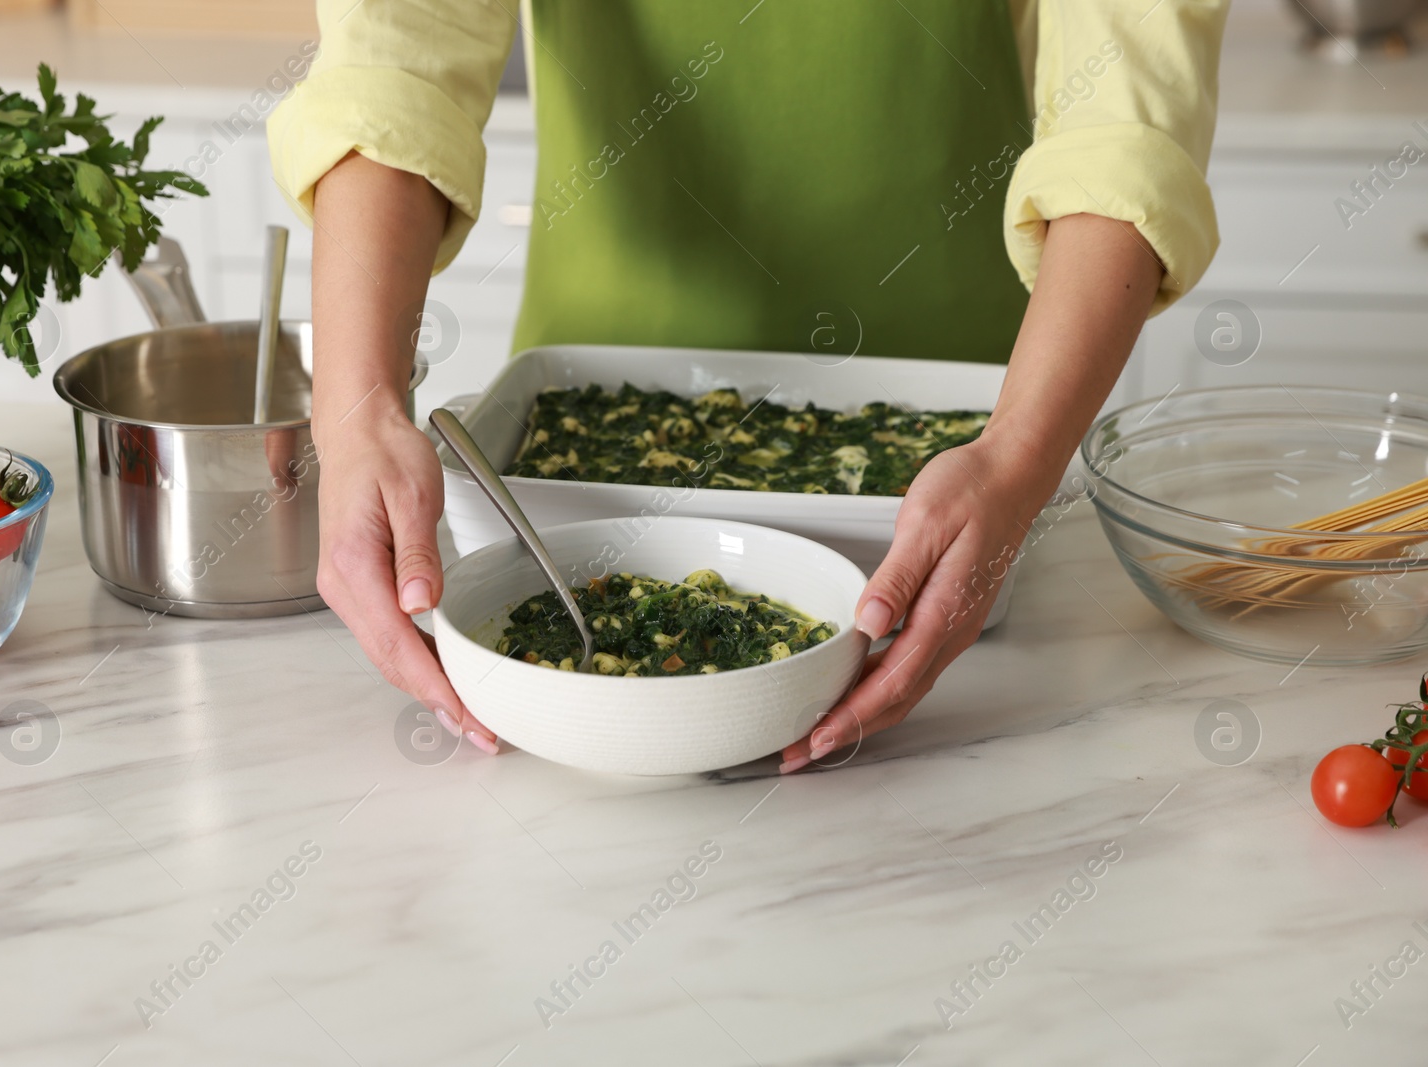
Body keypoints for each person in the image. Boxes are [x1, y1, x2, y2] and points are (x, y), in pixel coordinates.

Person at [268, 1, 1226, 771]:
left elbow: (1125, 120)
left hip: (977, 431)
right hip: (586, 399)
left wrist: (1018, 453)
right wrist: (354, 413)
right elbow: (398, 64)